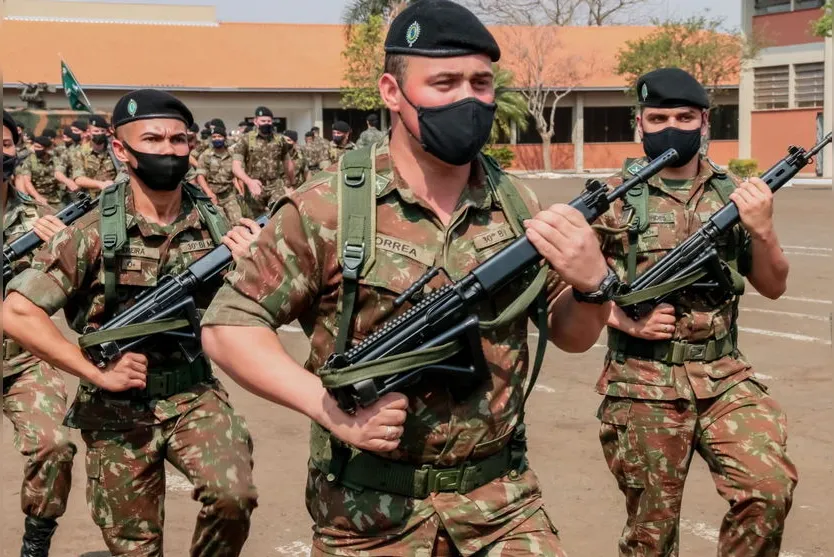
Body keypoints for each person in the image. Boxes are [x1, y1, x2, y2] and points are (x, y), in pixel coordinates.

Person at [200, 1, 613, 555]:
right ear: (393, 92)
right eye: (444, 82)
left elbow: (572, 335)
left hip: (501, 503)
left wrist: (593, 284)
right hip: (368, 515)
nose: (468, 98)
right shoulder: (328, 208)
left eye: (481, 82)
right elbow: (230, 326)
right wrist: (331, 412)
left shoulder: (518, 203)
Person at [3, 89, 260, 557]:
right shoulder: (91, 231)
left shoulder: (216, 221)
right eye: (154, 138)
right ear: (121, 149)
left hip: (192, 392)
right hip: (115, 409)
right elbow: (18, 312)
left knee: (232, 497)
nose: (168, 149)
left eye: (179, 139)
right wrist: (95, 372)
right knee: (136, 546)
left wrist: (251, 262)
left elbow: (250, 305)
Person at [594, 67, 798, 557]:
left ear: (705, 121)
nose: (670, 126)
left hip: (725, 376)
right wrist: (621, 319)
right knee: (651, 536)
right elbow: (564, 290)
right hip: (642, 382)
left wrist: (764, 229)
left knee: (767, 490)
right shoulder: (610, 198)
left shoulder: (736, 193)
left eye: (684, 116)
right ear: (638, 123)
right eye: (657, 116)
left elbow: (773, 285)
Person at [3, 110, 77, 557]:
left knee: (56, 444)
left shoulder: (39, 221)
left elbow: (67, 290)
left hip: (24, 358)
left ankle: (36, 543)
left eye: (6, 144)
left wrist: (63, 251)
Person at [231, 105, 295, 215]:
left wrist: (291, 184)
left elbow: (287, 163)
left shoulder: (280, 140)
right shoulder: (246, 139)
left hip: (275, 187)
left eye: (269, 121)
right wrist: (249, 182)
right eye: (263, 120)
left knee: (279, 216)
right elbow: (236, 166)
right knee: (255, 222)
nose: (266, 123)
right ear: (256, 121)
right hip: (254, 187)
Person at [196, 126, 242, 223]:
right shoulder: (206, 155)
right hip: (212, 195)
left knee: (238, 221)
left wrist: (242, 191)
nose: (217, 139)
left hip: (229, 195)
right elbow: (200, 177)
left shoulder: (232, 154)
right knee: (219, 224)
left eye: (219, 136)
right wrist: (209, 193)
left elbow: (238, 173)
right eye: (214, 137)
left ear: (224, 138)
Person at [14, 135, 68, 210]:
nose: (36, 149)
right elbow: (27, 182)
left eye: (39, 147)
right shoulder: (30, 161)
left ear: (46, 149)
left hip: (55, 198)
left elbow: (59, 173)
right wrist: (37, 197)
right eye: (35, 146)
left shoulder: (55, 159)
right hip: (37, 198)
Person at [71, 115, 118, 198]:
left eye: (102, 131)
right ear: (89, 132)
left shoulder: (114, 150)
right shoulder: (80, 152)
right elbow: (79, 179)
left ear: (106, 132)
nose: (99, 134)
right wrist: (101, 184)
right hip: (92, 199)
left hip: (114, 195)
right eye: (96, 131)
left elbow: (124, 171)